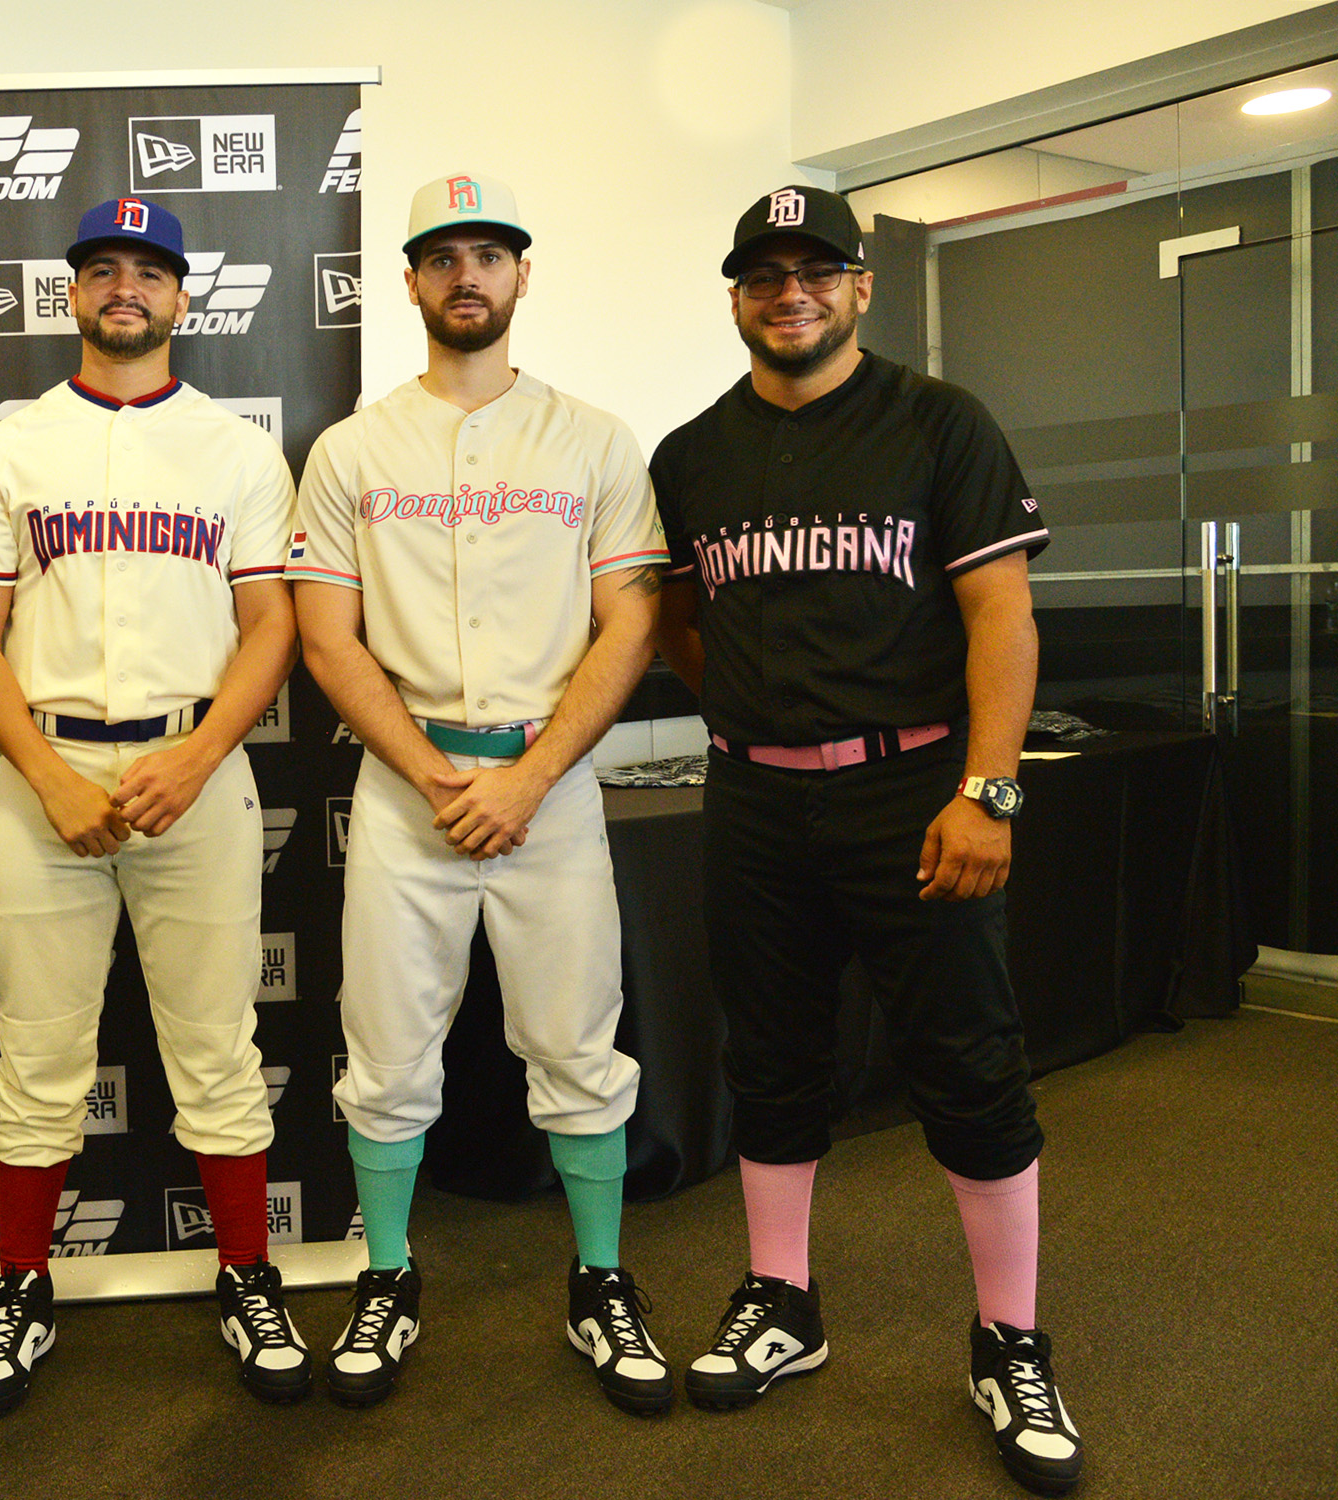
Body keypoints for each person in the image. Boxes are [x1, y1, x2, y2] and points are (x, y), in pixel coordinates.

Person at [649, 184, 1080, 1496]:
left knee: (968, 1063)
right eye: (765, 273)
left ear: (860, 286)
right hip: (756, 800)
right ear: (734, 293)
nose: (793, 292)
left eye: (817, 270)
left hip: (914, 798)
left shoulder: (939, 422)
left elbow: (1003, 617)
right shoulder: (690, 456)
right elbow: (679, 622)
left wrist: (988, 789)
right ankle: (784, 1303)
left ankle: (1009, 1338)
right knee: (770, 1060)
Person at [290, 172, 670, 1413]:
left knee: (574, 1040)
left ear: (520, 276)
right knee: (389, 1053)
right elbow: (329, 640)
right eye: (441, 256)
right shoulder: (352, 449)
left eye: (489, 254)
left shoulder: (596, 439)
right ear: (408, 281)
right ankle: (389, 1277)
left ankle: (600, 1278)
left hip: (549, 785)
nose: (467, 275)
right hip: (411, 788)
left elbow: (630, 621)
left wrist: (530, 776)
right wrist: (440, 776)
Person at [0, 197, 305, 1414]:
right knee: (36, 1054)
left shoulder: (241, 452)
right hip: (44, 774)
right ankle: (21, 1286)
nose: (126, 288)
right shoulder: (10, 449)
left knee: (216, 1046)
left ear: (183, 299)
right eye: (103, 269)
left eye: (150, 271)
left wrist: (198, 756)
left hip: (191, 770)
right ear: (74, 294)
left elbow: (272, 625)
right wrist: (44, 775)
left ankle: (248, 1275)